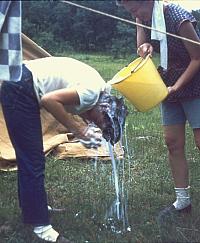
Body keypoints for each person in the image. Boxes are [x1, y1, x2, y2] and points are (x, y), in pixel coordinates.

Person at [0, 56, 127, 242]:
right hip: (20, 86)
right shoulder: (92, 94)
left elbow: (75, 105)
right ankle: (41, 229)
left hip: (21, 80)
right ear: (105, 107)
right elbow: (49, 100)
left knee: (30, 158)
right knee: (32, 160)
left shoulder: (101, 91)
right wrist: (78, 130)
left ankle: (34, 208)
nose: (92, 123)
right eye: (98, 122)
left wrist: (86, 127)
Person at [116, 0, 200, 214]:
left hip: (193, 82)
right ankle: (183, 201)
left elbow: (198, 58)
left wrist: (177, 86)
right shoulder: (143, 17)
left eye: (135, 9)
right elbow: (141, 48)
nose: (135, 14)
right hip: (167, 82)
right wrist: (144, 47)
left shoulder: (179, 18)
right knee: (172, 142)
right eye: (130, 11)